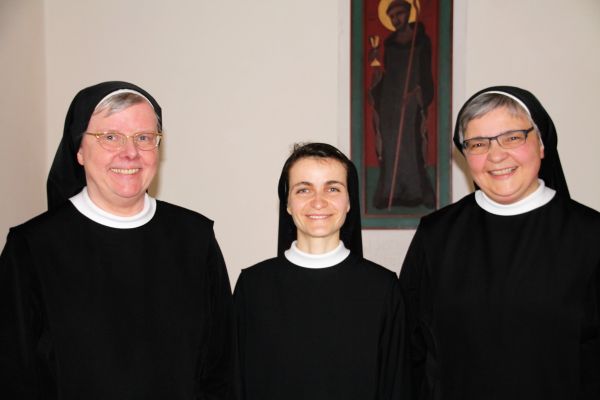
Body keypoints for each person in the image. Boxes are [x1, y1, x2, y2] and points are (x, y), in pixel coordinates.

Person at [0, 81, 235, 399]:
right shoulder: (31, 248)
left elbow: (221, 370)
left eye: (144, 137)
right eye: (110, 137)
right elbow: (13, 377)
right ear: (79, 150)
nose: (130, 152)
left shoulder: (196, 239)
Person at [400, 86, 600, 399]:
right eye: (479, 143)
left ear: (542, 144)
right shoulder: (435, 235)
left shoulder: (590, 235)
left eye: (512, 137)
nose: (495, 155)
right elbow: (411, 351)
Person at [234, 142, 407, 400]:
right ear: (287, 203)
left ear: (349, 202)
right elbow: (234, 385)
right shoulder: (253, 287)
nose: (318, 202)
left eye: (332, 188)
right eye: (304, 189)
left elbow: (397, 387)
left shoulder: (383, 289)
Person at [370, 0, 435, 209]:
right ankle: (391, 192)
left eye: (399, 14)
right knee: (390, 144)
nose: (396, 20)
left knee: (410, 143)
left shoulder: (420, 40)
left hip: (410, 99)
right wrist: (379, 80)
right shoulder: (389, 43)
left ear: (408, 14)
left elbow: (425, 71)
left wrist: (418, 92)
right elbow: (389, 71)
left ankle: (414, 192)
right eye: (392, 17)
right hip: (391, 99)